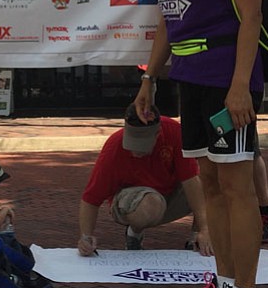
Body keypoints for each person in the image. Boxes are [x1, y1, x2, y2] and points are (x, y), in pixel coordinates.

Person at [134, 0, 268, 288]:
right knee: (211, 188)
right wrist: (150, 78)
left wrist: (239, 89)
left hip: (226, 84)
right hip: (189, 83)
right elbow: (166, 25)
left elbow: (251, 20)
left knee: (237, 190)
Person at [77, 102, 213, 257]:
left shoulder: (174, 132)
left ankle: (196, 239)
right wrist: (85, 237)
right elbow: (91, 198)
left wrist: (204, 229)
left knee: (209, 180)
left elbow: (191, 181)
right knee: (150, 202)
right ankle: (134, 233)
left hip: (171, 193)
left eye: (142, 144)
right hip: (134, 202)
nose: (135, 151)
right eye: (132, 142)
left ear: (157, 134)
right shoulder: (114, 147)